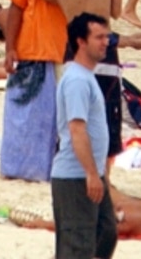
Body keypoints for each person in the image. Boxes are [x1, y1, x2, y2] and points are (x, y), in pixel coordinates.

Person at [1, 0, 77, 182]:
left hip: (65, 53)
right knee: (23, 116)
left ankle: (59, 171)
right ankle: (18, 168)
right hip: (30, 48)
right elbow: (16, 8)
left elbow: (91, 11)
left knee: (62, 119)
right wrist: (10, 48)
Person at [51, 13, 118, 259]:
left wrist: (99, 172)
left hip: (92, 172)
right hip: (75, 176)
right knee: (77, 246)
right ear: (81, 41)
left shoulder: (86, 76)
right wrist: (91, 174)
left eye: (107, 37)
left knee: (106, 233)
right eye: (99, 37)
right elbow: (76, 129)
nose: (106, 43)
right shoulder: (77, 80)